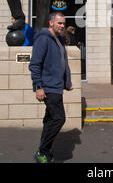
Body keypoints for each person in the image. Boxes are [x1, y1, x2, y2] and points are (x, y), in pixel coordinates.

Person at [29, 12, 73, 163]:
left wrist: (67, 81)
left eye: (64, 24)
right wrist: (38, 87)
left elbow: (62, 62)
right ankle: (43, 151)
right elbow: (35, 64)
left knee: (49, 120)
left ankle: (44, 151)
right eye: (59, 23)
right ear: (51, 23)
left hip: (57, 86)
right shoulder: (43, 39)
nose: (62, 26)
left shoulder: (59, 39)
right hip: (48, 87)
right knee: (59, 119)